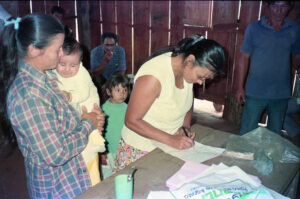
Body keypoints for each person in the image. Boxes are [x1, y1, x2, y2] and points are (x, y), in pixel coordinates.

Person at [0, 14, 105, 199]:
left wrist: (93, 118)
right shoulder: (28, 95)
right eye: (57, 50)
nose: (60, 55)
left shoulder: (46, 76)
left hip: (72, 175)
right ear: (34, 50)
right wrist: (88, 124)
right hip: (56, 187)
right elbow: (57, 153)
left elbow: (63, 117)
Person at [114, 34, 225, 171]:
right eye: (200, 77)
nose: (200, 82)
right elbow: (131, 120)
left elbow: (187, 102)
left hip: (168, 148)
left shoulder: (186, 70)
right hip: (139, 151)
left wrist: (185, 127)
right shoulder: (153, 76)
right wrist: (171, 140)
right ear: (190, 60)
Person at [235, 0, 300, 135]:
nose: (279, 10)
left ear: (289, 8)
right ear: (268, 7)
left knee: (275, 134)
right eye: (275, 6)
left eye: (283, 6)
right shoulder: (254, 28)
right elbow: (244, 58)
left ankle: (268, 157)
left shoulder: (294, 29)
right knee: (248, 132)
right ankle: (243, 155)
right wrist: (240, 87)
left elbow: (296, 58)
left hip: (280, 93)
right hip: (255, 91)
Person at [52, 36, 106, 186]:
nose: (67, 70)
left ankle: (96, 138)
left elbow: (84, 92)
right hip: (75, 113)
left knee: (92, 117)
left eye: (73, 65)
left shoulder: (82, 73)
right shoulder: (53, 74)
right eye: (62, 64)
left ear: (80, 62)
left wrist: (70, 96)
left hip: (86, 101)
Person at [101, 73, 130, 178]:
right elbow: (100, 133)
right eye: (118, 90)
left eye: (125, 90)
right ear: (109, 92)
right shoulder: (103, 109)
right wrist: (102, 152)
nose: (122, 94)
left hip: (125, 149)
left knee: (124, 174)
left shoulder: (128, 108)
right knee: (111, 176)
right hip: (110, 150)